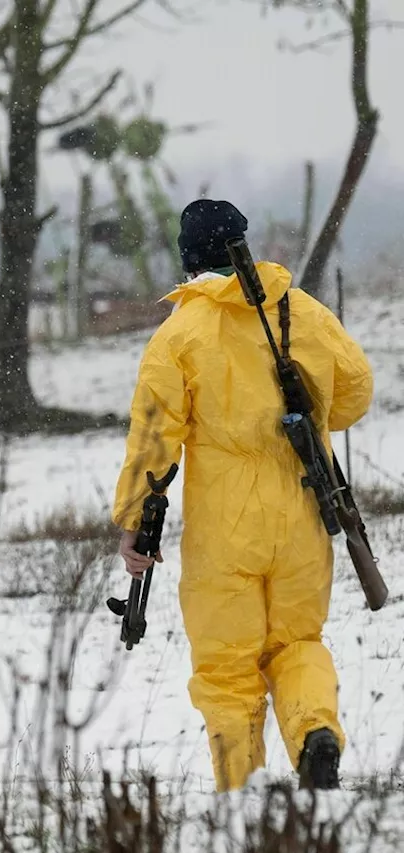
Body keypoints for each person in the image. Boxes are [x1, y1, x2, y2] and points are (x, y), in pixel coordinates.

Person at [111, 199, 373, 793]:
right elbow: (355, 392)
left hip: (225, 529)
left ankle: (241, 792)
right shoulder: (302, 310)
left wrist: (133, 522)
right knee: (297, 644)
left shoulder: (180, 333)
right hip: (306, 513)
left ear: (188, 259)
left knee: (227, 668)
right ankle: (315, 735)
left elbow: (155, 437)